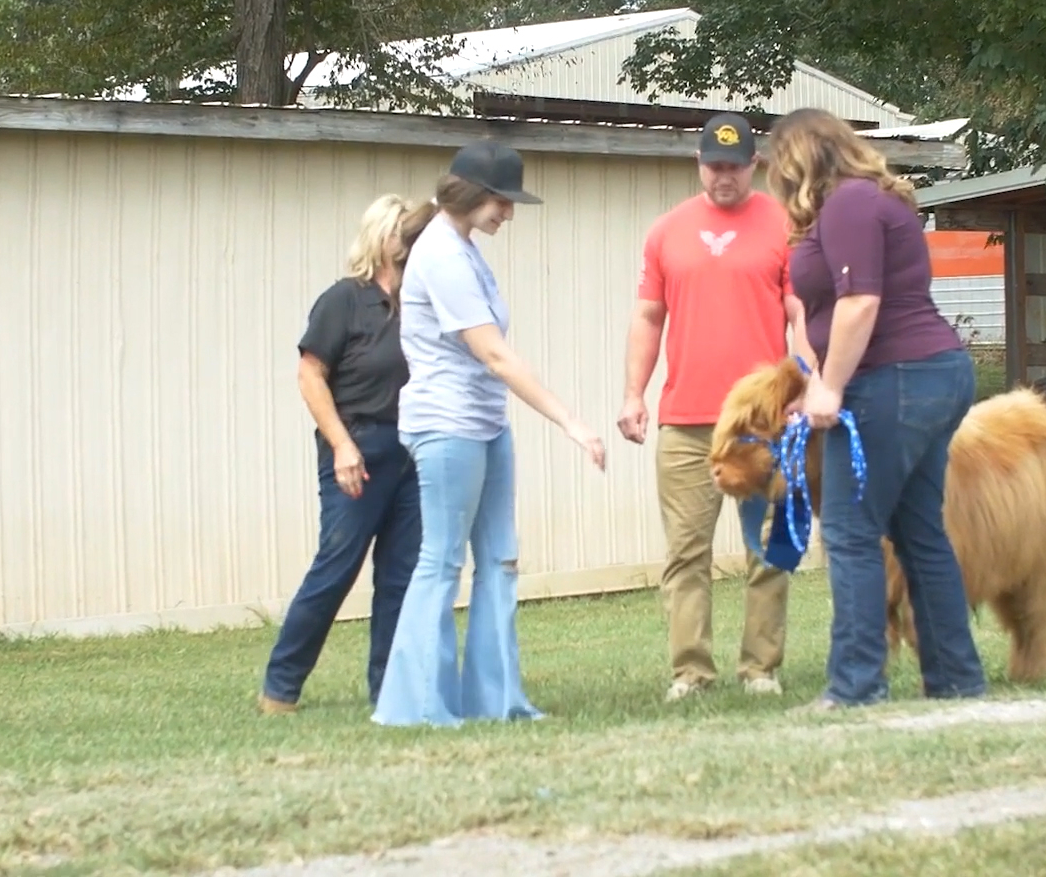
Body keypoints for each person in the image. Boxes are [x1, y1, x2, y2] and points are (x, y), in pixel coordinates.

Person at [372, 140, 608, 729]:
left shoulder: (466, 249)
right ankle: (418, 707)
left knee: (500, 559)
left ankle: (498, 699)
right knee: (442, 562)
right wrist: (571, 422)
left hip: (485, 423)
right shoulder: (441, 257)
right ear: (475, 195)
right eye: (504, 201)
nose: (509, 213)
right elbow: (496, 356)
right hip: (446, 426)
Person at [764, 107, 988, 710]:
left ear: (802, 157)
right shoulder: (871, 202)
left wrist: (829, 389)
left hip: (895, 379)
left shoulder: (851, 204)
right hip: (925, 374)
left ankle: (857, 684)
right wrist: (815, 380)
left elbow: (860, 304)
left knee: (850, 531)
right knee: (918, 533)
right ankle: (956, 678)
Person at [618, 111, 814, 702]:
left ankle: (760, 668)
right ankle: (691, 673)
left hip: (761, 422)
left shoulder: (784, 226)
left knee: (767, 547)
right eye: (713, 165)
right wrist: (633, 393)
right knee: (685, 552)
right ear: (698, 163)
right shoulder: (667, 231)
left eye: (734, 166)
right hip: (685, 419)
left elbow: (800, 314)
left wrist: (802, 389)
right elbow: (649, 316)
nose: (723, 176)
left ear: (755, 164)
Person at [259, 194, 428, 714]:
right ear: (382, 238)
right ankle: (280, 688)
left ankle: (391, 690)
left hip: (413, 451)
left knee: (401, 576)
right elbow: (310, 374)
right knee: (336, 567)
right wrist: (342, 445)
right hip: (360, 446)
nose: (415, 239)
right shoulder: (344, 300)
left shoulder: (422, 303)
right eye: (406, 230)